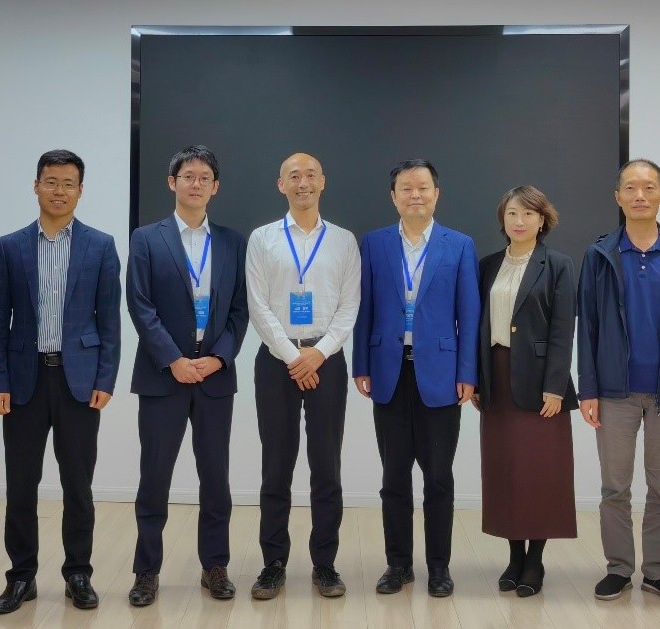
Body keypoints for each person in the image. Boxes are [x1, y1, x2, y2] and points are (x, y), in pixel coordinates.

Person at [0, 149, 121, 614]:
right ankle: (21, 576)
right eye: (51, 181)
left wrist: (106, 377)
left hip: (78, 382)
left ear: (80, 191)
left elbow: (109, 321)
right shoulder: (11, 247)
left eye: (68, 183)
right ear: (36, 186)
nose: (59, 191)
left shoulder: (100, 246)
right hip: (23, 382)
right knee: (21, 484)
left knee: (78, 485)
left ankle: (78, 573)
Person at [576, 158, 660, 606]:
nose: (640, 195)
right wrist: (588, 390)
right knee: (614, 488)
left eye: (649, 188)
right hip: (615, 392)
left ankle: (658, 572)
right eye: (630, 188)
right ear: (618, 197)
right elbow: (588, 326)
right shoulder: (599, 255)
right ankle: (618, 569)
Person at [125, 145, 249, 606]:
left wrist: (218, 358)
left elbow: (239, 311)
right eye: (188, 176)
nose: (196, 184)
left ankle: (215, 565)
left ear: (215, 187)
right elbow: (140, 305)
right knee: (154, 476)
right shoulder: (146, 239)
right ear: (171, 182)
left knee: (215, 477)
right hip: (164, 376)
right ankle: (146, 571)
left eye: (204, 178)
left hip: (214, 377)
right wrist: (173, 359)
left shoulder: (233, 242)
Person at [353, 159, 480, 598]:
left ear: (436, 194)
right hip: (388, 372)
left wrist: (468, 372)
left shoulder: (458, 245)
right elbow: (364, 308)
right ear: (394, 197)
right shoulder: (374, 244)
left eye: (423, 187)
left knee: (438, 477)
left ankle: (439, 567)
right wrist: (361, 364)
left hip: (441, 375)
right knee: (393, 477)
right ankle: (398, 564)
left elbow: (470, 314)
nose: (415, 195)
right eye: (406, 188)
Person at [245, 152, 360, 599]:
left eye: (310, 175)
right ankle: (273, 563)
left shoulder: (344, 241)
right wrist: (293, 356)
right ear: (281, 185)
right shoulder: (262, 238)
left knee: (326, 466)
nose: (303, 182)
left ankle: (324, 564)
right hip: (277, 361)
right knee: (276, 466)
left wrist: (318, 353)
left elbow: (349, 306)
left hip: (327, 362)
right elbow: (258, 305)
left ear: (323, 182)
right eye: (294, 176)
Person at [474, 185, 577, 598]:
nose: (520, 221)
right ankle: (514, 556)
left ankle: (535, 560)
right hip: (496, 379)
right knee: (505, 471)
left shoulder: (558, 265)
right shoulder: (487, 265)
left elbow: (562, 330)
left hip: (540, 383)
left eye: (529, 214)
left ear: (542, 220)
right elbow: (476, 326)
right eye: (513, 213)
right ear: (503, 218)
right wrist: (477, 379)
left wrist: (555, 386)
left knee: (540, 473)